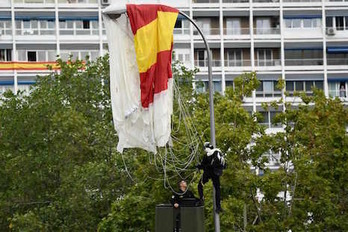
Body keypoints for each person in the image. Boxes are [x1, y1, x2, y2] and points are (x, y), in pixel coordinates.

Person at [197, 142, 226, 214]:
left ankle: (203, 200)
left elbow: (207, 165)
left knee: (202, 185)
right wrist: (199, 166)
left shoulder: (213, 153)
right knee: (216, 188)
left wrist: (201, 166)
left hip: (212, 172)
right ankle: (216, 205)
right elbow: (204, 165)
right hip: (212, 173)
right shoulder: (212, 154)